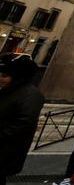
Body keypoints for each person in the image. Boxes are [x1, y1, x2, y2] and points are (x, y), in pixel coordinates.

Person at [0, 53, 44, 185]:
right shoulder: (9, 89)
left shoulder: (30, 95)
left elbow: (24, 124)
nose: (0, 78)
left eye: (4, 76)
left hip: (5, 151)